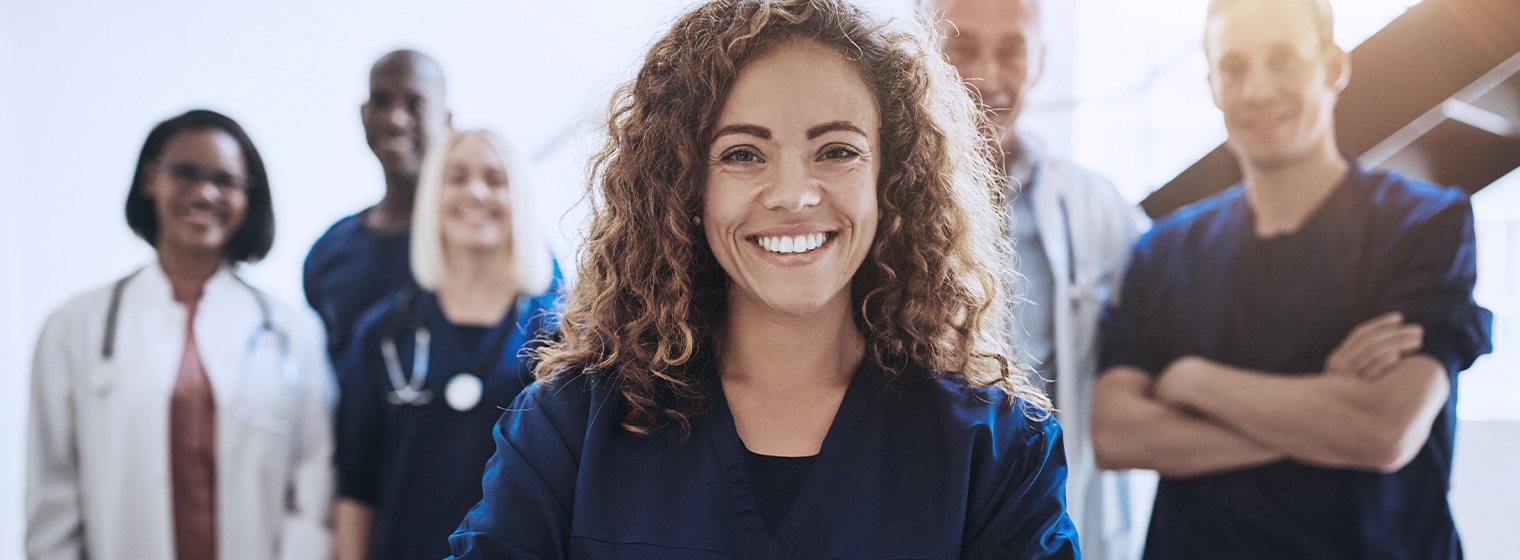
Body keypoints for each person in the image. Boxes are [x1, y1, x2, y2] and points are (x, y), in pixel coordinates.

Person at [445, 1, 1078, 558]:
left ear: (893, 181)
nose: (795, 195)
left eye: (837, 150)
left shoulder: (996, 453)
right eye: (743, 154)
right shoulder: (569, 430)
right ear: (685, 185)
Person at [1090, 0, 1493, 557]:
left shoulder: (1424, 224)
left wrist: (1192, 381)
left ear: (1332, 67)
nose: (1255, 90)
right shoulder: (1165, 250)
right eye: (1234, 68)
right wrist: (1326, 410)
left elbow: (1382, 430)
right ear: (1211, 84)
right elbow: (1117, 434)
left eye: (1282, 59)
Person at [27, 109, 334, 560]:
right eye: (186, 173)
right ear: (150, 180)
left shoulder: (293, 331)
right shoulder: (74, 328)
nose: (206, 192)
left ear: (249, 197)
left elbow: (313, 478)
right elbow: (53, 489)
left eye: (226, 181)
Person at [936, 1, 1151, 557]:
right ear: (927, 55)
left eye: (1011, 50)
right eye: (963, 49)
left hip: (1044, 515)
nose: (987, 75)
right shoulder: (871, 198)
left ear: (1040, 61)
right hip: (928, 502)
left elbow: (1180, 313)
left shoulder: (1094, 205)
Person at [332, 129, 561, 560]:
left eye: (495, 179)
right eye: (457, 178)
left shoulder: (560, 336)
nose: (475, 192)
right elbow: (356, 484)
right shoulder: (381, 334)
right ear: (432, 197)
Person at [304, 49, 452, 361]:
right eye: (381, 101)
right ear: (363, 114)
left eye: (417, 104)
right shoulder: (328, 252)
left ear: (446, 121)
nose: (395, 119)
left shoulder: (487, 242)